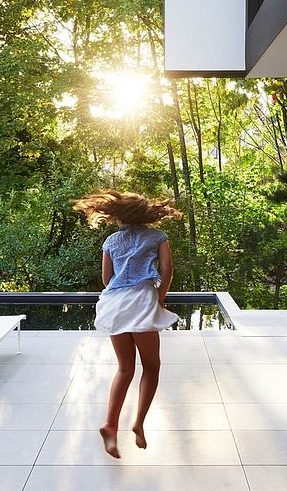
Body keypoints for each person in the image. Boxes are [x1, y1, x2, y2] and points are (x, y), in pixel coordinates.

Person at [73, 189, 181, 458]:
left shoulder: (110, 241)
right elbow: (167, 270)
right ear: (144, 214)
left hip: (113, 303)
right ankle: (138, 422)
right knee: (152, 367)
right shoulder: (157, 237)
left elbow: (106, 279)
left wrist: (121, 296)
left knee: (124, 368)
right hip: (141, 301)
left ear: (118, 217)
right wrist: (159, 297)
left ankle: (110, 425)